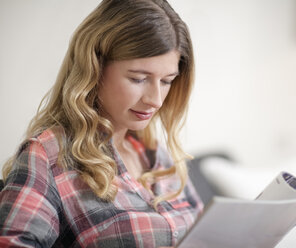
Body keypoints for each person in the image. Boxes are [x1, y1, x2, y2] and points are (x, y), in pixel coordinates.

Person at [0, 0, 203, 247]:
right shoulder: (49, 156)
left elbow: (206, 233)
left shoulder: (156, 154)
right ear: (94, 68)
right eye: (138, 79)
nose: (156, 100)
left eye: (167, 81)